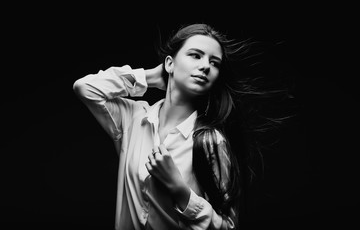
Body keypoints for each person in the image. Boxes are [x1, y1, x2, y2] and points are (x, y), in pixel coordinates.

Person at [73, 23, 287, 229]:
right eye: (195, 55)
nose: (205, 66)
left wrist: (180, 190)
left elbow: (229, 225)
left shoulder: (212, 141)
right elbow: (86, 88)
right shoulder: (133, 118)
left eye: (215, 63)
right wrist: (150, 77)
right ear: (169, 63)